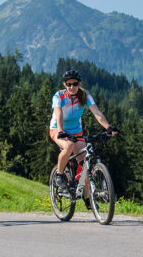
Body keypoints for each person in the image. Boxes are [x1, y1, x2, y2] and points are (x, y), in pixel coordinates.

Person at [49, 70, 118, 209]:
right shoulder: (59, 96)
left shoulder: (85, 95)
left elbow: (97, 113)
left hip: (76, 131)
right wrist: (61, 130)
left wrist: (108, 127)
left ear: (79, 84)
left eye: (75, 84)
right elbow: (59, 113)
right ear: (65, 84)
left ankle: (88, 197)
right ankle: (60, 174)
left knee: (85, 161)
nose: (72, 86)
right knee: (68, 147)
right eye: (69, 84)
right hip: (57, 129)